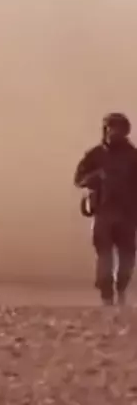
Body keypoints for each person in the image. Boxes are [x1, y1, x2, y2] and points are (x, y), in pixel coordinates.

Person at [74, 112, 137, 305]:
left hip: (128, 213)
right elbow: (79, 180)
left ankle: (121, 290)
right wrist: (96, 177)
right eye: (110, 128)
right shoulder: (95, 155)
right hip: (103, 212)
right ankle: (106, 295)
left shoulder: (133, 156)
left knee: (127, 256)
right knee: (104, 256)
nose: (113, 132)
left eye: (118, 128)